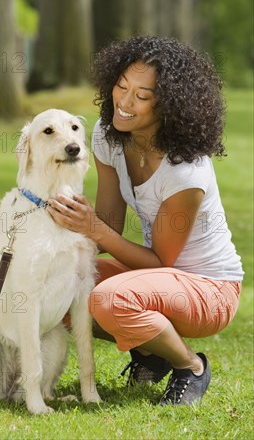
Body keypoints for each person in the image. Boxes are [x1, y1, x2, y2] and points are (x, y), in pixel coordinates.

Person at [47, 36, 244, 406]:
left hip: (210, 289)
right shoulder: (108, 136)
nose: (124, 102)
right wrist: (45, 236)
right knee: (58, 283)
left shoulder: (185, 171)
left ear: (169, 105)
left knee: (108, 299)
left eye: (142, 95)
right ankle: (150, 352)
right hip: (155, 280)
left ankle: (190, 366)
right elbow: (107, 226)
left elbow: (161, 261)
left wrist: (94, 228)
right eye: (122, 87)